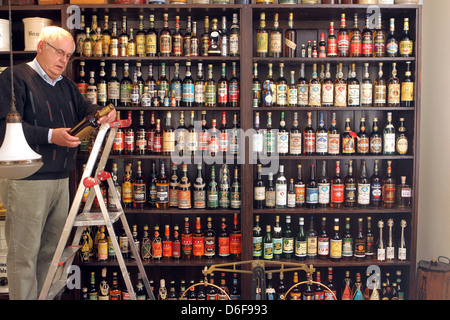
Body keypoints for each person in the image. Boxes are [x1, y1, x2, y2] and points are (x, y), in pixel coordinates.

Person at [0, 26, 116, 300]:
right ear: (41, 47)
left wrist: (101, 115)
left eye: (69, 55)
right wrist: (51, 136)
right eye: (60, 53)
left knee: (52, 255)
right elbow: (4, 128)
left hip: (61, 180)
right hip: (26, 180)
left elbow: (85, 108)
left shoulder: (65, 84)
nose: (64, 60)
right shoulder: (14, 77)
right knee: (24, 257)